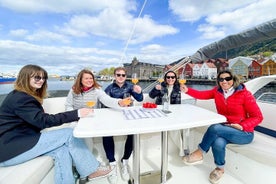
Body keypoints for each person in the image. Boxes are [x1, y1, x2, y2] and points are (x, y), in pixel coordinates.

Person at [0, 64, 114, 184]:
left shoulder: (20, 95)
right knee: (69, 133)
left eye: (43, 78)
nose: (41, 81)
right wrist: (77, 113)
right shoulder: (20, 98)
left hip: (15, 147)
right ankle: (91, 170)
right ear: (25, 77)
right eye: (37, 78)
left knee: (62, 150)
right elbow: (43, 121)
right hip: (11, 150)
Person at [181, 70, 263, 184]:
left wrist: (242, 126)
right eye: (221, 79)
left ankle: (199, 153)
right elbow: (202, 95)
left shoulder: (245, 94)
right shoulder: (217, 92)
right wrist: (188, 90)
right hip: (225, 129)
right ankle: (220, 169)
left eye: (227, 79)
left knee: (214, 128)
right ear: (218, 81)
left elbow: (258, 117)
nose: (224, 81)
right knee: (218, 142)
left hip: (244, 133)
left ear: (233, 79)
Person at [103, 67, 143, 183]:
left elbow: (139, 99)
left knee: (134, 134)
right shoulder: (109, 89)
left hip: (128, 116)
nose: (121, 77)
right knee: (106, 134)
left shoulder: (131, 87)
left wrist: (139, 92)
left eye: (123, 75)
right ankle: (112, 163)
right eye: (118, 75)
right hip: (113, 116)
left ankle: (124, 161)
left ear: (126, 76)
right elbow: (104, 103)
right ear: (114, 76)